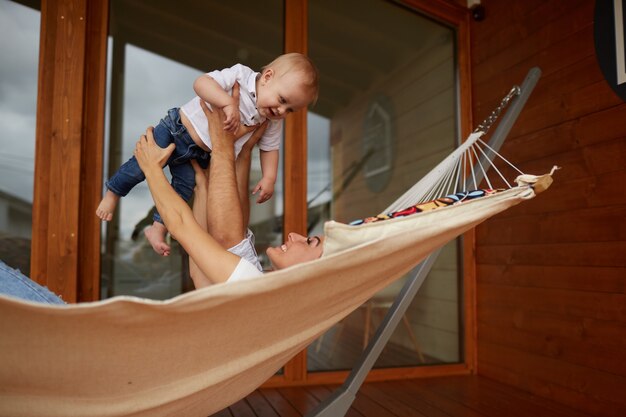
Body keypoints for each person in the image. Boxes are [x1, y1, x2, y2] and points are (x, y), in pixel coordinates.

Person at [0, 86, 324, 303]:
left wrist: (152, 169)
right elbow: (209, 250)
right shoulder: (259, 283)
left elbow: (185, 228)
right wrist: (221, 170)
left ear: (321, 272)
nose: (297, 234)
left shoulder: (252, 285)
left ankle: (117, 189)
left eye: (312, 242)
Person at [96, 53, 319, 257]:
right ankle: (113, 194)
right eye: (282, 100)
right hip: (178, 129)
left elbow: (270, 148)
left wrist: (269, 177)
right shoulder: (241, 76)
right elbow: (201, 83)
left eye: (290, 110)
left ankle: (157, 228)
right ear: (268, 77)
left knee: (181, 191)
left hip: (198, 155)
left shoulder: (270, 121)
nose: (282, 111)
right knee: (139, 167)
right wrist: (226, 102)